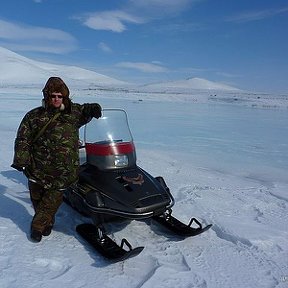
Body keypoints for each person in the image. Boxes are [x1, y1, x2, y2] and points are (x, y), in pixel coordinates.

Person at [11, 77, 102, 242]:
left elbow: (86, 110)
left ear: (65, 97)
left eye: (60, 96)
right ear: (47, 96)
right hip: (37, 168)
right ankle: (48, 221)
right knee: (37, 199)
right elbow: (23, 139)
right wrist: (21, 160)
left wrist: (93, 108)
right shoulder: (34, 116)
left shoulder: (73, 113)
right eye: (53, 96)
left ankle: (37, 227)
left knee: (51, 200)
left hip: (63, 170)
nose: (56, 99)